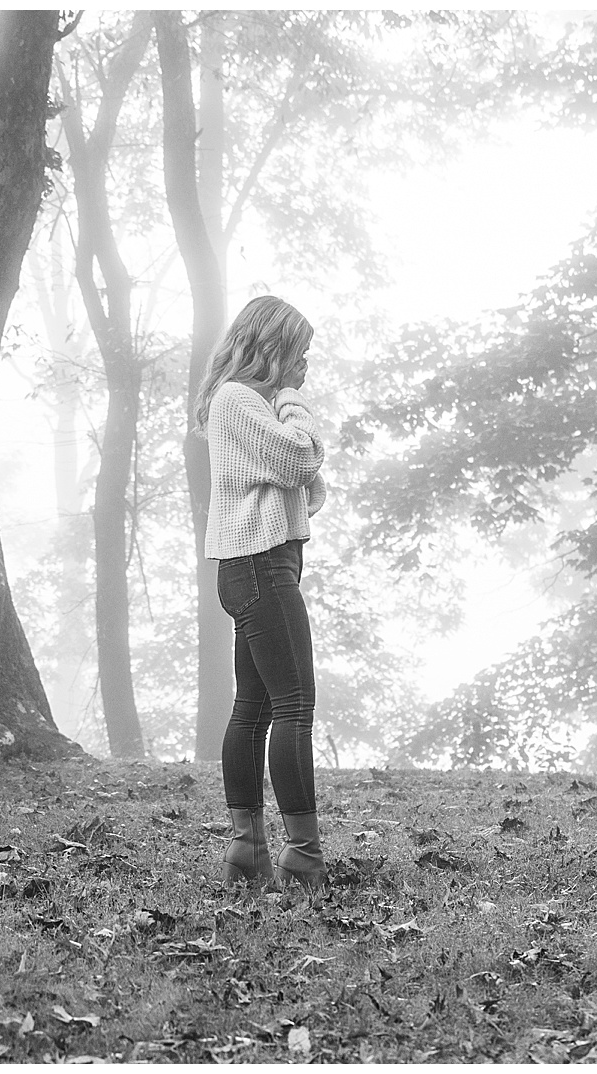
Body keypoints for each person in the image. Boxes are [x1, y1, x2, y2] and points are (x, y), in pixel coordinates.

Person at [193, 295, 329, 891]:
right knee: (294, 705)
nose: (304, 366)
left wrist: (298, 454)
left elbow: (308, 488)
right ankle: (303, 856)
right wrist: (294, 404)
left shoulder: (246, 405)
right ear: (273, 346)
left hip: (258, 564)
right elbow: (300, 461)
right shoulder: (240, 399)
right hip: (262, 565)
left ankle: (248, 848)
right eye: (300, 352)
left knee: (254, 707)